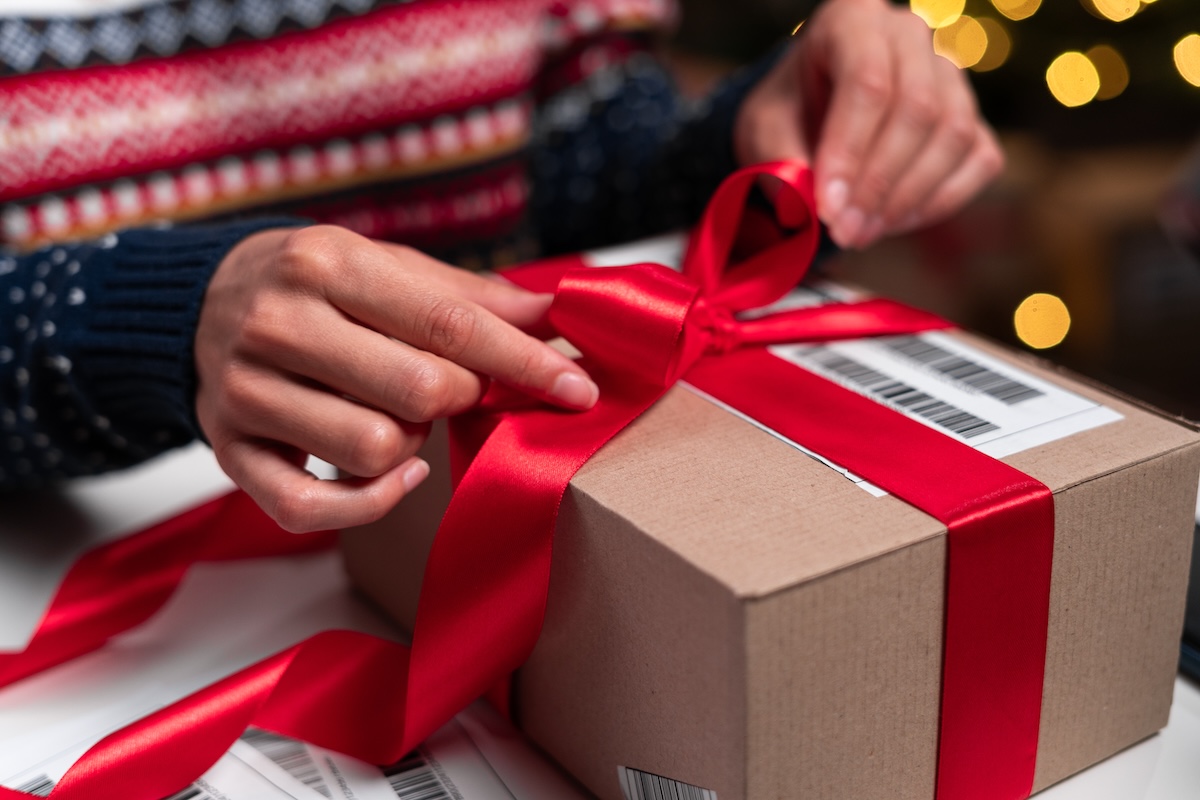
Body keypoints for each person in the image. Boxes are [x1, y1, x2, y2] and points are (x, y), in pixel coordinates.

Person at [0, 0, 1003, 532]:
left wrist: (763, 159)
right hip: (70, 575)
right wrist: (151, 320)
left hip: (448, 536)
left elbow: (589, 177)